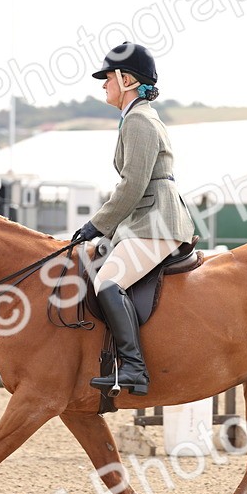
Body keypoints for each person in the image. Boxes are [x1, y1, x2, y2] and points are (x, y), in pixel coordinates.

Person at [72, 42, 195, 397]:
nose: (103, 84)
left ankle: (135, 369)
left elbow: (133, 185)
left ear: (126, 79)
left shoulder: (139, 121)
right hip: (144, 220)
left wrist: (98, 224)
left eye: (107, 77)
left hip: (155, 221)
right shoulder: (136, 118)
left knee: (108, 284)